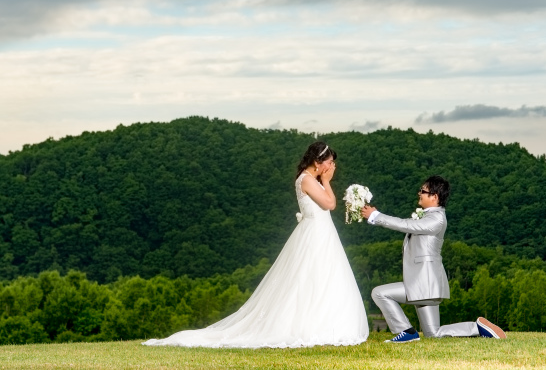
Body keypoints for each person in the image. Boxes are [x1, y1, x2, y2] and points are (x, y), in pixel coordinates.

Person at [143, 141, 369, 348]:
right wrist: (327, 182)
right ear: (318, 162)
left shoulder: (311, 179)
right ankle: (308, 325)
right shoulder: (307, 180)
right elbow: (330, 204)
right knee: (307, 279)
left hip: (321, 234)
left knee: (323, 277)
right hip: (314, 235)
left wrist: (324, 181)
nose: (332, 166)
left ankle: (326, 321)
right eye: (330, 162)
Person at [360, 175, 506, 342]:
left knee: (379, 293)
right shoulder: (429, 216)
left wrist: (376, 216)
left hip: (425, 284)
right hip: (424, 285)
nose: (419, 193)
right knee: (433, 333)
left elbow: (406, 224)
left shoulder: (437, 218)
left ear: (434, 196)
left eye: (423, 191)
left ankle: (406, 332)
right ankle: (477, 327)